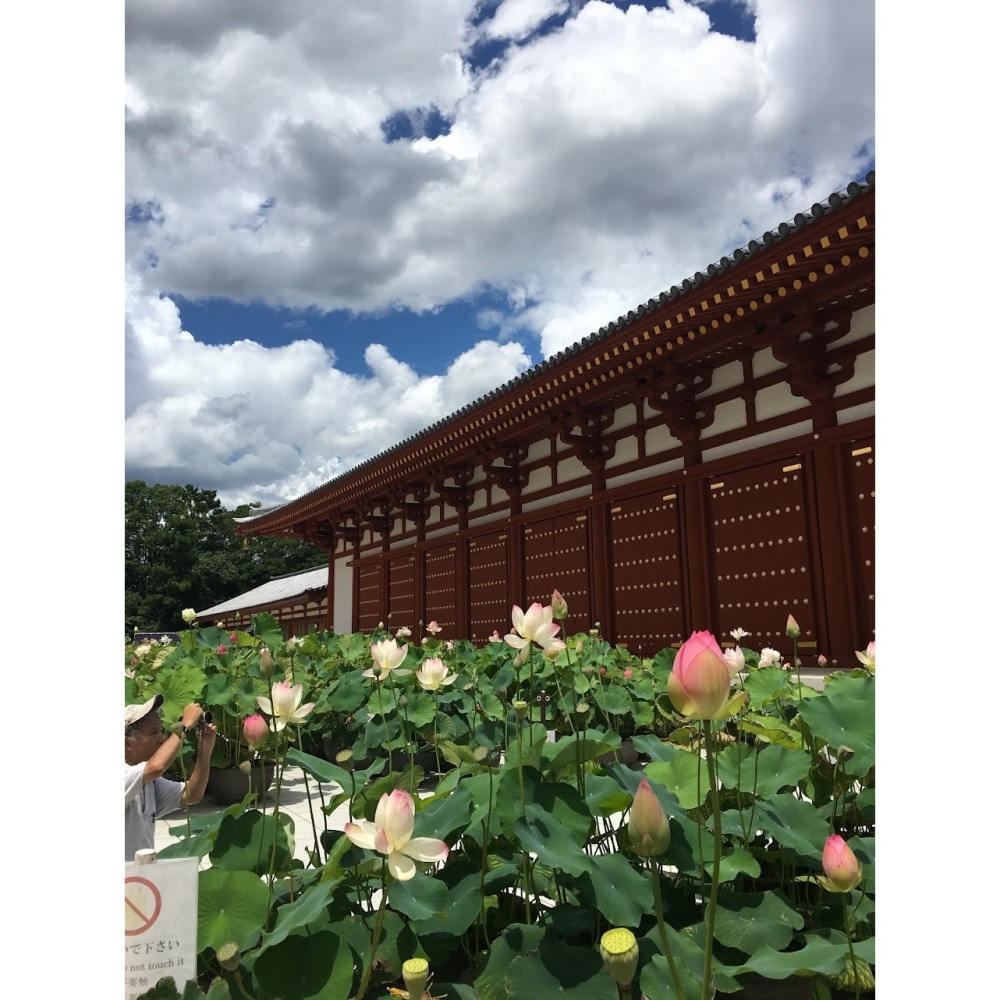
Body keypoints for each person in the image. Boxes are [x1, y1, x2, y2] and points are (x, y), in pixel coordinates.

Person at [124, 694, 217, 861]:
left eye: (160, 730)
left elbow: (191, 795)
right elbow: (156, 767)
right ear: (126, 743)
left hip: (140, 879)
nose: (161, 738)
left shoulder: (149, 782)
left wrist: (205, 750)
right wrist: (185, 725)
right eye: (153, 732)